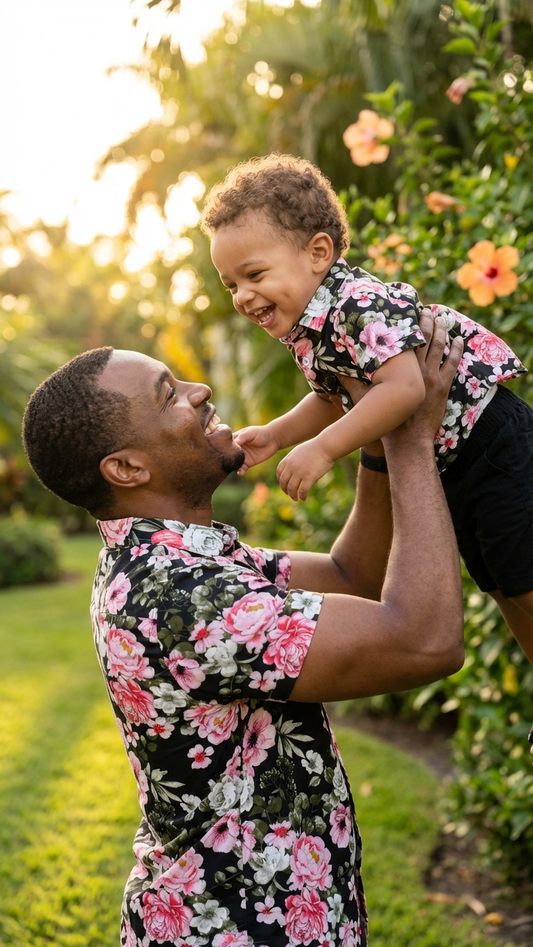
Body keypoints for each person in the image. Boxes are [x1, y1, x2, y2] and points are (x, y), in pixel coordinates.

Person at [22, 318, 464, 947]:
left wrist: (374, 437)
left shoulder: (184, 560)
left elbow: (351, 576)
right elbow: (425, 640)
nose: (199, 391)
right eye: (168, 394)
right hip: (240, 925)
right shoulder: (177, 596)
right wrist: (413, 438)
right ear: (126, 468)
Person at [202, 153, 533, 662]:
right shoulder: (308, 327)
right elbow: (334, 396)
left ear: (317, 252)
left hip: (490, 440)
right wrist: (278, 433)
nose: (243, 296)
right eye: (231, 285)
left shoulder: (356, 304)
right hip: (457, 462)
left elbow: (404, 389)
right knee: (501, 581)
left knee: (523, 573)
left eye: (254, 274)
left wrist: (322, 450)